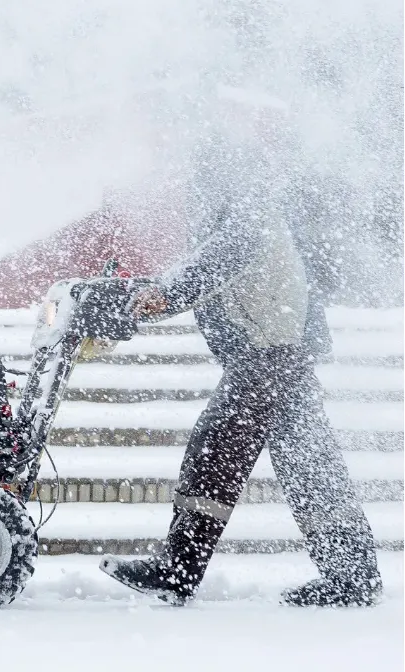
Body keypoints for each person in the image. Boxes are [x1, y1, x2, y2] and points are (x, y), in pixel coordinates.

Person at [98, 130, 382, 607]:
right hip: (280, 355)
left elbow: (203, 270)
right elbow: (202, 268)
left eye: (199, 184)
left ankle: (177, 570)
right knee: (308, 465)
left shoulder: (248, 220)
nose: (192, 195)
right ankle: (353, 573)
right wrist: (145, 291)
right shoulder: (249, 216)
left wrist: (154, 299)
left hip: (269, 358)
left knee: (215, 451)